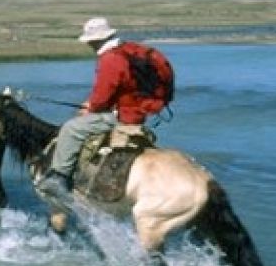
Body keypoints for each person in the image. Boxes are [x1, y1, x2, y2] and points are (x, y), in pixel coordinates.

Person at [36, 17, 174, 197]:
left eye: (89, 41)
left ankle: (59, 177)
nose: (89, 45)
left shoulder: (111, 59)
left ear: (95, 40)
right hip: (140, 111)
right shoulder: (131, 50)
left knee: (71, 129)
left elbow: (102, 98)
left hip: (123, 116)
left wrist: (89, 108)